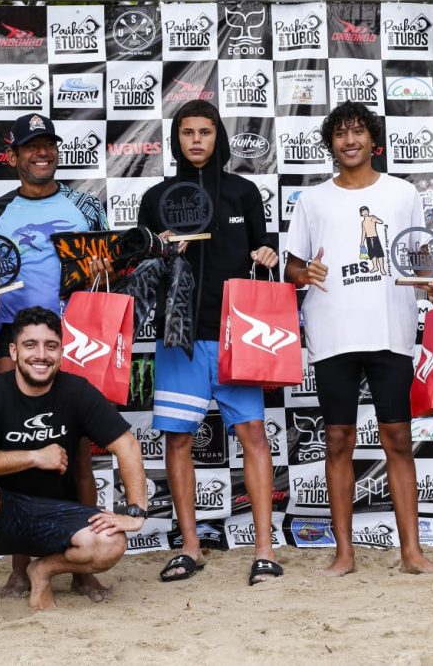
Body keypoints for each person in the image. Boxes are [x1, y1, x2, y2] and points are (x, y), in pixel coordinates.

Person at [283, 100, 433, 576]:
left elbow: (422, 261)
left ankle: (411, 552)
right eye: (340, 134)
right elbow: (293, 266)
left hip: (389, 331)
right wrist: (301, 272)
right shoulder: (312, 199)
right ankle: (344, 553)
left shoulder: (402, 194)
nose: (349, 141)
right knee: (337, 440)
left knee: (397, 437)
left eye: (358, 132)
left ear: (373, 141)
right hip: (332, 334)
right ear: (330, 143)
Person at [137, 99, 281, 585]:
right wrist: (158, 251)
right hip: (180, 339)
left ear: (217, 136)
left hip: (235, 336)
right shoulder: (155, 197)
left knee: (253, 437)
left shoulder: (243, 192)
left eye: (204, 131)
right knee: (178, 440)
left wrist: (266, 253)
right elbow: (141, 276)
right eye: (186, 133)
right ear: (176, 140)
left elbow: (266, 256)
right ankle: (191, 547)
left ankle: (264, 549)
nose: (196, 140)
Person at [0, 112, 112, 601]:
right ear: (12, 156)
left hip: (75, 338)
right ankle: (18, 567)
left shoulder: (86, 207)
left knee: (79, 455)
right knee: (16, 455)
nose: (41, 153)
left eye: (48, 144)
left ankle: (83, 566)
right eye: (31, 146)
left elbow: (111, 276)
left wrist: (104, 269)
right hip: (13, 341)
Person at [0, 306, 148, 628]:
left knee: (112, 543)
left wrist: (136, 511)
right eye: (30, 345)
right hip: (5, 515)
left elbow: (126, 444)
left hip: (58, 516)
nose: (41, 355)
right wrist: (34, 455)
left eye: (50, 346)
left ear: (61, 351)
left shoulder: (76, 390)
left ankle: (42, 570)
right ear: (13, 351)